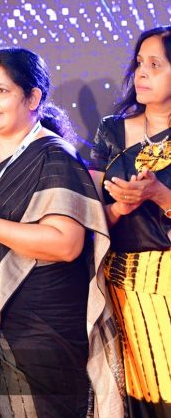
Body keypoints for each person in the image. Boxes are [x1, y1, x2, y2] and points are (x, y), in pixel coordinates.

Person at [0, 48, 121, 418]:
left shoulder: (54, 156)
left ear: (33, 98)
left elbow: (67, 244)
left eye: (2, 91)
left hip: (39, 319)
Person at [89, 25, 171, 417]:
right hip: (120, 285)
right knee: (133, 397)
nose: (141, 73)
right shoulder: (111, 130)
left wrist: (158, 194)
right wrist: (119, 208)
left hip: (166, 280)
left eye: (155, 65)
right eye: (139, 63)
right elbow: (88, 212)